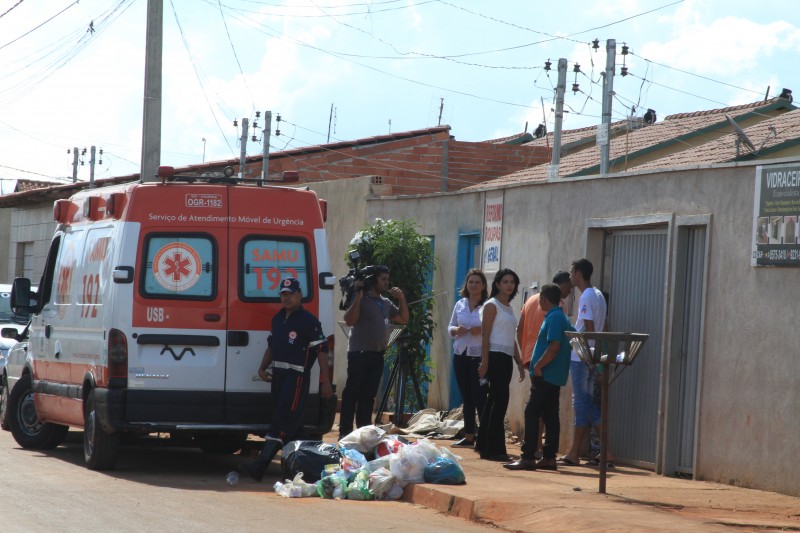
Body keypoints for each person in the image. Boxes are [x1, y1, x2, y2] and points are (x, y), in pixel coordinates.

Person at [239, 277, 333, 481]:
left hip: (296, 378)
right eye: (283, 294)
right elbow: (272, 346)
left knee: (281, 420)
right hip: (279, 377)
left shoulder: (309, 321)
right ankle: (313, 467)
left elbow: (322, 351)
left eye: (290, 294)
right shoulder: (278, 319)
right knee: (294, 427)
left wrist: (326, 381)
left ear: (299, 295)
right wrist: (262, 368)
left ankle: (260, 466)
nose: (286, 297)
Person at [504, 283, 575, 471]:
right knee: (550, 414)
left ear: (544, 299)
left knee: (532, 411)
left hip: (546, 374)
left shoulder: (554, 318)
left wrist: (539, 366)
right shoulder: (559, 316)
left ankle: (528, 457)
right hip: (553, 374)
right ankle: (549, 457)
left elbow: (554, 347)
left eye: (540, 299)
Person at [338, 265, 408, 439]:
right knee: (352, 394)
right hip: (359, 354)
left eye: (387, 279)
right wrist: (358, 297)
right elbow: (350, 320)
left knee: (368, 396)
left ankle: (364, 432)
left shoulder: (384, 302)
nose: (387, 282)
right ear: (373, 280)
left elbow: (402, 319)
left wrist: (401, 299)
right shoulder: (362, 298)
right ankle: (345, 432)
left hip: (377, 355)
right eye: (383, 279)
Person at [559, 258, 608, 466]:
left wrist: (589, 359)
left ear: (578, 273)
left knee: (581, 403)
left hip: (581, 356)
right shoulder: (597, 294)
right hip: (590, 354)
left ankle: (575, 453)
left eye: (572, 272)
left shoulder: (587, 296)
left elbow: (589, 328)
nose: (570, 276)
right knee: (586, 405)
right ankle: (599, 452)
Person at [476, 268, 525, 461]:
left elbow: (510, 337)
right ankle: (495, 450)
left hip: (506, 358)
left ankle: (484, 445)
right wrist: (485, 360)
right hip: (494, 356)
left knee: (493, 401)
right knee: (500, 401)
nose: (509, 285)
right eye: (505, 281)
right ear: (497, 284)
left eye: (512, 282)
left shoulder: (509, 308)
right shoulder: (491, 305)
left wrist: (518, 361)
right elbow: (485, 334)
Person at [448, 269, 489, 448]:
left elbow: (493, 329)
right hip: (460, 354)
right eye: (470, 282)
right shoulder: (460, 304)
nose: (473, 285)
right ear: (466, 285)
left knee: (479, 396)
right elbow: (450, 327)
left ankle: (486, 435)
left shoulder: (488, 306)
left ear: (483, 286)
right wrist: (457, 330)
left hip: (478, 356)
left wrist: (479, 330)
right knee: (467, 397)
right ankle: (469, 435)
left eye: (477, 282)